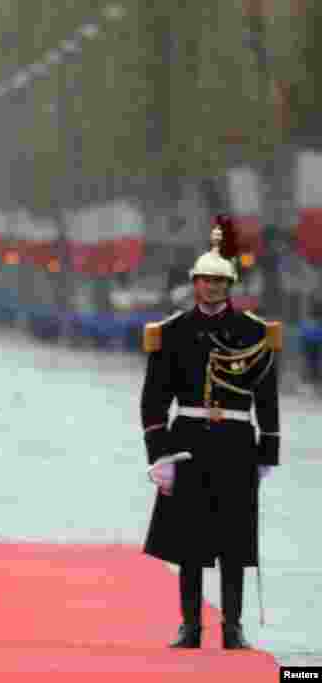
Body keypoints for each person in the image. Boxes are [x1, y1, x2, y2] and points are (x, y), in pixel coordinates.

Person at [140, 215, 281, 650]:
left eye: (220, 282)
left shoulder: (254, 333)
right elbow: (154, 400)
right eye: (206, 281)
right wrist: (160, 454)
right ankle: (190, 625)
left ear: (230, 285)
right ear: (195, 283)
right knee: (190, 541)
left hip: (236, 444)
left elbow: (267, 399)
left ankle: (233, 627)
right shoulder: (171, 333)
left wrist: (267, 452)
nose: (213, 288)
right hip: (188, 445)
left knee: (234, 540)